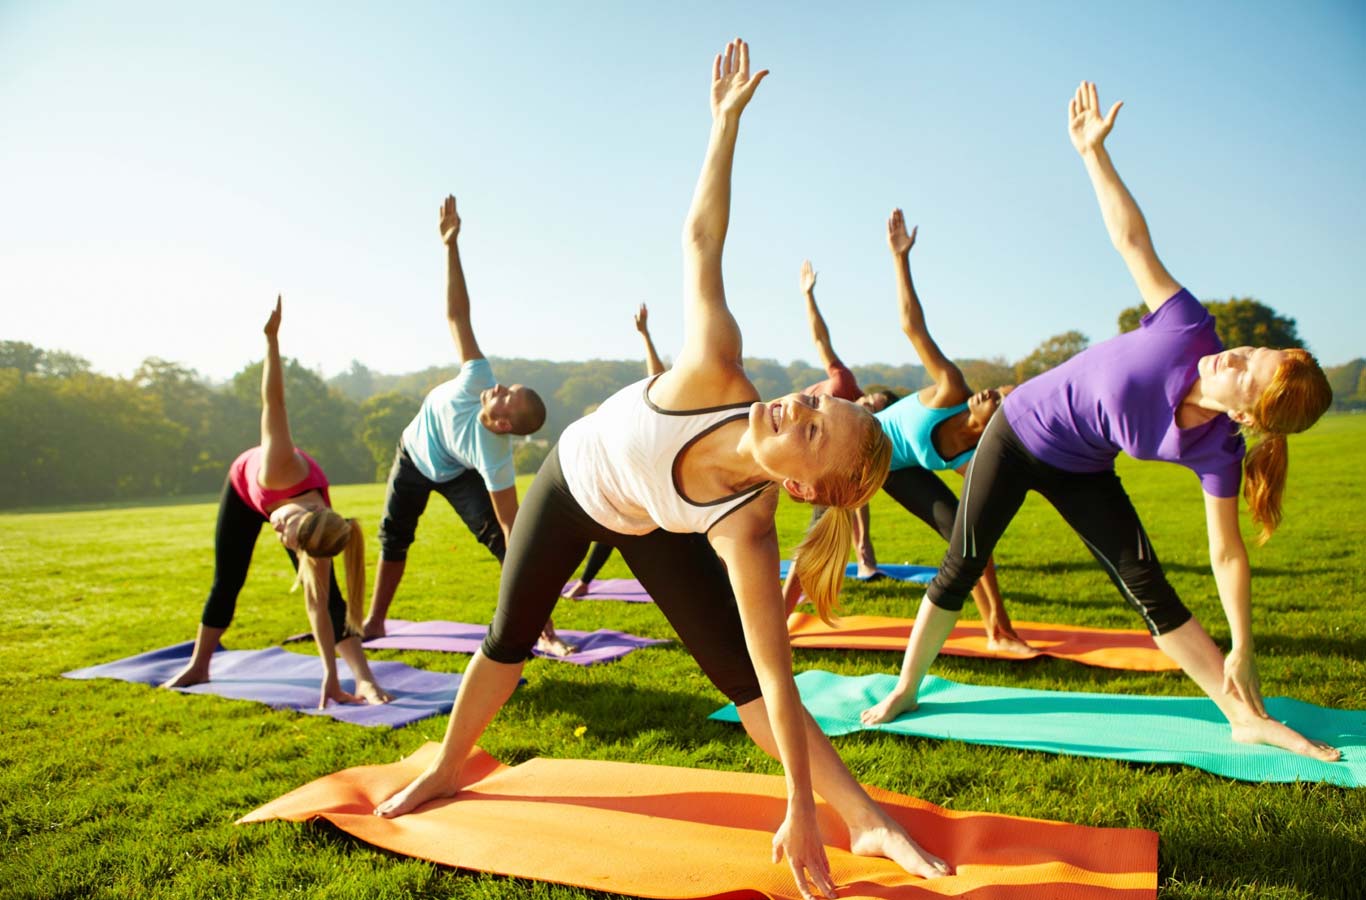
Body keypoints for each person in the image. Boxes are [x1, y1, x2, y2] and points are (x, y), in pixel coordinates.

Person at [374, 40, 951, 899]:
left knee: (743, 679)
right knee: (510, 633)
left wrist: (803, 804)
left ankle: (861, 816)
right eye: (812, 403)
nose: (795, 406)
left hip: (651, 520)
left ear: (796, 486)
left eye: (809, 431)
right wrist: (723, 127)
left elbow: (775, 682)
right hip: (572, 483)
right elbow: (700, 238)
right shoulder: (719, 368)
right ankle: (453, 765)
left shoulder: (747, 528)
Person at [860, 82, 1340, 767]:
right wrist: (1093, 154)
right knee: (962, 561)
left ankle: (1242, 716)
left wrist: (1243, 641)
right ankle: (908, 685)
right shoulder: (1187, 327)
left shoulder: (1219, 447)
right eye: (1249, 351)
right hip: (1017, 430)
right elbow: (1130, 239)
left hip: (1081, 466)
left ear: (1243, 413)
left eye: (1246, 371)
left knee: (1149, 587)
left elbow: (1227, 553)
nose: (1234, 354)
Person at [362, 196, 570, 656]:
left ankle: (540, 627)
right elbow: (458, 315)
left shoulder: (494, 456)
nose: (498, 388)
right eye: (506, 387)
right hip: (413, 456)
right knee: (394, 535)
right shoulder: (477, 375)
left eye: (505, 396)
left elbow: (511, 525)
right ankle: (375, 622)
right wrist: (450, 246)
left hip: (457, 473)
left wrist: (541, 609)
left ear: (501, 423)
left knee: (501, 543)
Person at [162, 298, 391, 709]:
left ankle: (364, 677)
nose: (277, 533)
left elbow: (319, 609)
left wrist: (331, 675)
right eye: (284, 529)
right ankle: (200, 664)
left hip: (289, 512)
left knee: (330, 597)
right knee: (227, 579)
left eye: (286, 539)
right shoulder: (280, 464)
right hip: (244, 486)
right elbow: (275, 402)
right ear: (303, 513)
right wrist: (271, 341)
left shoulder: (319, 537)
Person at [862, 209, 1031, 654]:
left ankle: (998, 630)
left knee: (967, 535)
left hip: (894, 472)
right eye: (995, 388)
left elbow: (990, 497)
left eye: (999, 397)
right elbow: (911, 326)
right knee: (819, 537)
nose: (990, 393)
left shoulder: (972, 456)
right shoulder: (952, 388)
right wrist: (900, 259)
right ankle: (775, 623)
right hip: (859, 447)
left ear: (1001, 421)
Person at [778, 260, 895, 613]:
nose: (873, 405)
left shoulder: (848, 446)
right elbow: (820, 339)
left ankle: (860, 564)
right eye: (875, 399)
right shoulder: (844, 385)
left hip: (804, 461)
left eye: (879, 410)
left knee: (828, 523)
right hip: (779, 436)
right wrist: (808, 296)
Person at [563, 303, 666, 599]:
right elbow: (656, 376)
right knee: (610, 528)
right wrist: (645, 334)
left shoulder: (668, 416)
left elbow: (656, 374)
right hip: (634, 487)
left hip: (659, 495)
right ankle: (583, 581)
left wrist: (645, 334)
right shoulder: (644, 416)